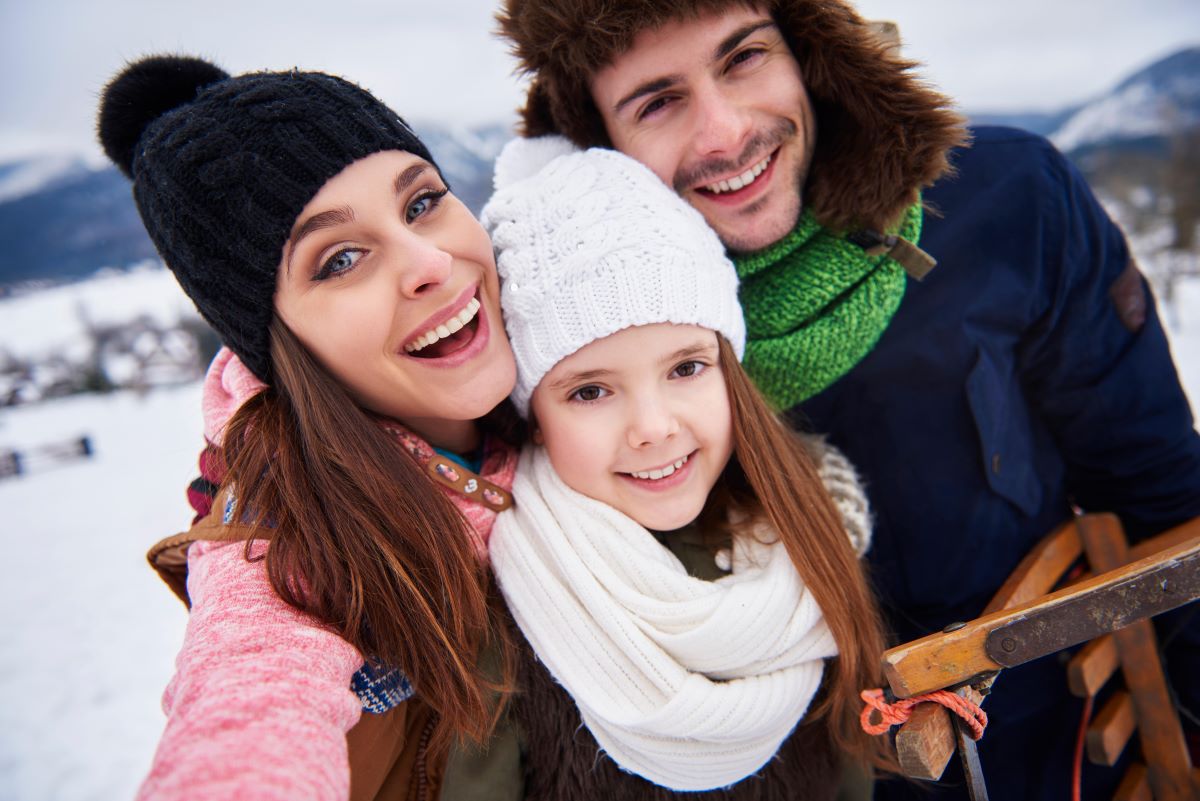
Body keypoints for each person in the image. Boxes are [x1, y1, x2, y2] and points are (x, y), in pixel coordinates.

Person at [494, 1, 1200, 798]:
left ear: (808, 51)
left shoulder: (1006, 203)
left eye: (744, 58)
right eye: (658, 102)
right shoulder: (567, 327)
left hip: (1052, 754)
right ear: (599, 142)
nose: (725, 133)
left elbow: (1160, 493)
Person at [97, 55, 524, 801]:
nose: (429, 262)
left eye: (421, 203)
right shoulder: (281, 543)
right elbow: (248, 713)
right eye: (342, 259)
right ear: (275, 340)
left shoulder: (570, 369)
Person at [451, 136, 890, 799]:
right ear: (534, 415)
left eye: (686, 367)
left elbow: (851, 773)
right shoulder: (501, 605)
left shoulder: (806, 543)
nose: (654, 427)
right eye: (590, 391)